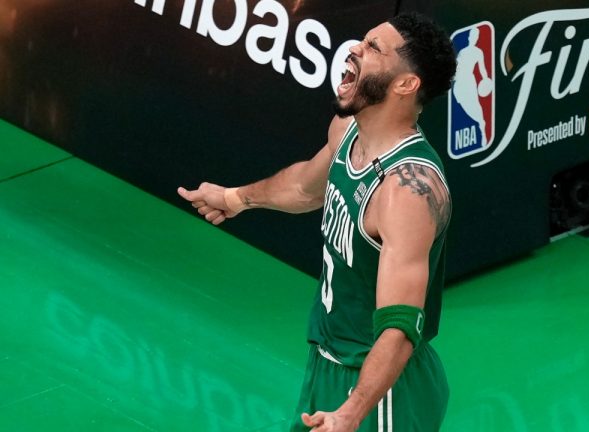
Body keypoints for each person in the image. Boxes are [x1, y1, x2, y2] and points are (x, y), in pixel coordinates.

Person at [178, 12, 457, 432]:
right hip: (329, 363)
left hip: (381, 393)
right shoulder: (348, 131)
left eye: (373, 49)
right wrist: (235, 199)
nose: (354, 51)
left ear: (405, 84)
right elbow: (306, 188)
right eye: (362, 41)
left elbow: (400, 328)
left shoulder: (406, 192)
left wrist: (350, 414)